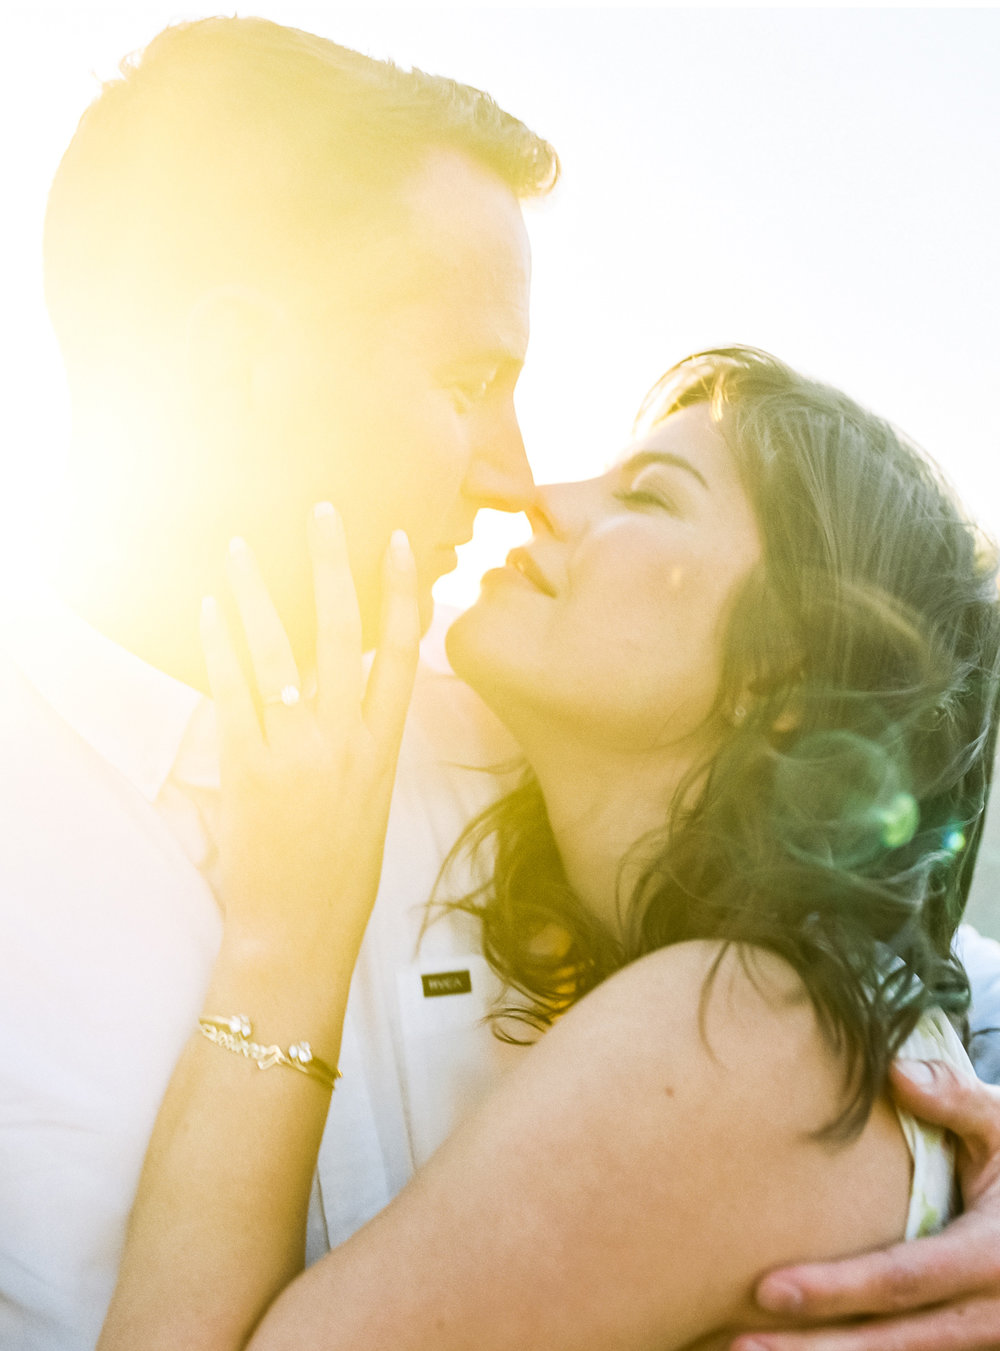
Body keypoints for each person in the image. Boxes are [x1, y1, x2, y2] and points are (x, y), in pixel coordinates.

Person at [2, 15, 1000, 1349]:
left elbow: (922, 974)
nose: (515, 474)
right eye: (469, 381)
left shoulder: (539, 736)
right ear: (234, 367)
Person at [96, 347, 1000, 1350]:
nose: (542, 497)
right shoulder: (805, 1015)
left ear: (784, 669)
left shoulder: (739, 1028)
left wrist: (283, 942)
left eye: (651, 498)